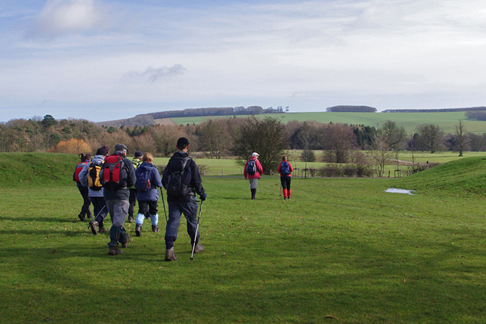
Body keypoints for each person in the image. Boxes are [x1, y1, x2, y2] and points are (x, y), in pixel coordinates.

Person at [162, 137, 206, 261]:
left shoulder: (170, 162)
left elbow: (164, 180)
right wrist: (201, 193)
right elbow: (197, 181)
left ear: (176, 147)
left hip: (173, 198)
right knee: (192, 221)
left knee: (173, 222)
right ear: (188, 146)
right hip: (188, 197)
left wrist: (171, 191)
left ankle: (169, 249)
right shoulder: (190, 162)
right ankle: (195, 246)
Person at [100, 143, 136, 255]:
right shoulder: (127, 162)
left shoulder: (106, 161)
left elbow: (101, 177)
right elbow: (132, 181)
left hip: (108, 195)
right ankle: (113, 246)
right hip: (122, 195)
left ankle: (124, 238)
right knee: (117, 223)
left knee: (116, 221)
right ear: (124, 152)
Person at [79, 147, 109, 234]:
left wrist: (86, 184)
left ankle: (101, 227)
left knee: (96, 209)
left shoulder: (89, 163)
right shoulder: (105, 163)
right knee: (105, 208)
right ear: (104, 155)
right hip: (102, 191)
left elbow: (81, 175)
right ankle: (95, 222)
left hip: (91, 191)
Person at [135, 152, 163, 236]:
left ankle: (138, 226)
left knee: (141, 211)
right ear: (151, 160)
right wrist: (160, 186)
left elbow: (134, 181)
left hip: (141, 194)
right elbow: (158, 182)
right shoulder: (153, 169)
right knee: (153, 211)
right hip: (152, 193)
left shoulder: (139, 169)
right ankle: (154, 227)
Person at [73, 153, 92, 221]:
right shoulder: (88, 164)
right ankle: (82, 213)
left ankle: (89, 214)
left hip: (79, 185)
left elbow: (74, 175)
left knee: (86, 199)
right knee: (88, 200)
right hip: (86, 184)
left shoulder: (79, 164)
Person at [128, 150, 143, 223]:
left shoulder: (130, 163)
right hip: (140, 185)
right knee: (141, 201)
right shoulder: (142, 163)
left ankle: (130, 216)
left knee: (131, 202)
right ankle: (143, 214)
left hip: (131, 185)